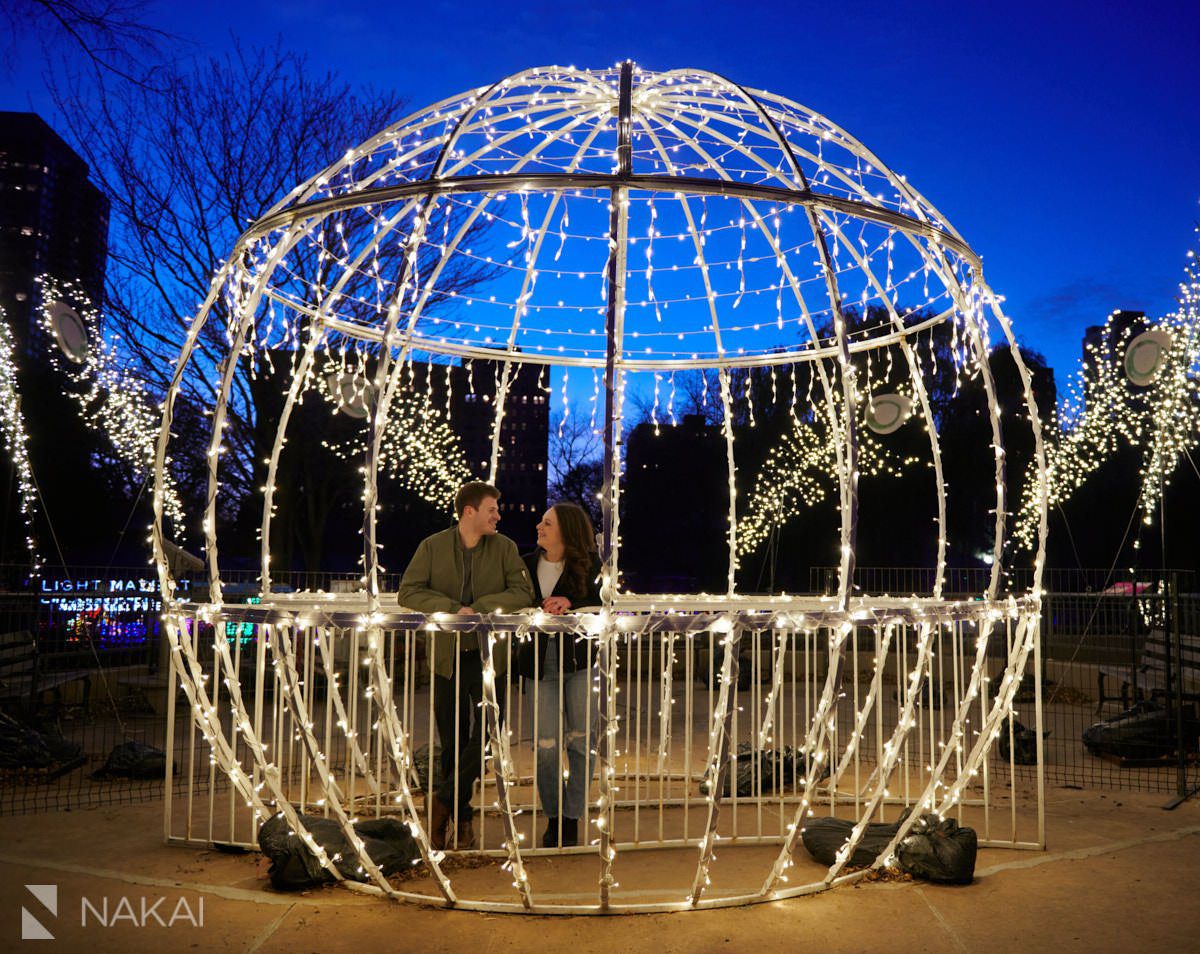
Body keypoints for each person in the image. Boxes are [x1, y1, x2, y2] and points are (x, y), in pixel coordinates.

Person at [398, 481, 535, 851]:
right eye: (492, 509)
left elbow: (523, 592)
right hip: (447, 657)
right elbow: (408, 591)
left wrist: (481, 609)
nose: (498, 515)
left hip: (492, 656)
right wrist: (451, 609)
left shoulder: (505, 548)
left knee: (490, 734)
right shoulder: (432, 546)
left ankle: (442, 801)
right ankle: (459, 820)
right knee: (453, 740)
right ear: (469, 511)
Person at [516, 502, 602, 848]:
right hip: (537, 663)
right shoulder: (523, 565)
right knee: (546, 745)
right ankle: (553, 815)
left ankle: (572, 817)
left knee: (581, 742)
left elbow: (604, 605)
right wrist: (535, 611)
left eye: (547, 522)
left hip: (579, 662)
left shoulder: (592, 566)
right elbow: (512, 604)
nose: (539, 526)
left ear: (566, 530)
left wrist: (571, 606)